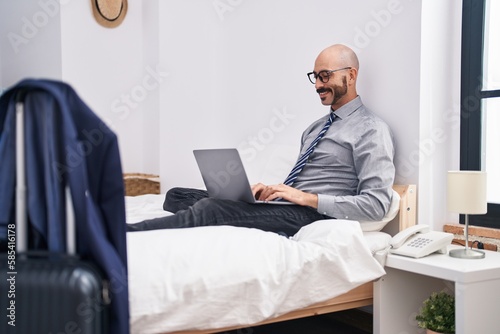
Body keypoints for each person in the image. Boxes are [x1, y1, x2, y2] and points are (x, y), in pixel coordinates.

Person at [127, 44, 395, 236]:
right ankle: (232, 210)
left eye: (325, 75)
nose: (317, 85)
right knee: (177, 195)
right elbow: (299, 181)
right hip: (283, 205)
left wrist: (306, 198)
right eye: (315, 77)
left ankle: (127, 233)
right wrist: (268, 191)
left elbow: (377, 205)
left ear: (351, 75)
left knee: (213, 208)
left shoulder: (371, 130)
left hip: (310, 215)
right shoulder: (315, 128)